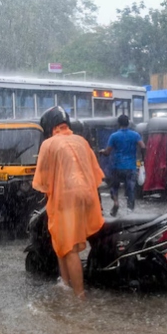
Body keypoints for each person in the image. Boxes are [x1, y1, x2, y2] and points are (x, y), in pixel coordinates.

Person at [33, 107, 105, 299]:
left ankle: (79, 297)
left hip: (67, 197)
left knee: (70, 246)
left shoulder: (49, 144)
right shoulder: (81, 141)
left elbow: (43, 179)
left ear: (49, 126)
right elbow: (95, 171)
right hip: (87, 195)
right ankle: (64, 283)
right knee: (61, 240)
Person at [99, 114, 146, 216]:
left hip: (117, 167)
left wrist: (102, 151)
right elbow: (143, 146)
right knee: (130, 189)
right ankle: (130, 211)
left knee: (114, 186)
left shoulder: (114, 136)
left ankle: (116, 202)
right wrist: (142, 157)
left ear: (118, 124)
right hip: (131, 167)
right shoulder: (135, 135)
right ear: (128, 123)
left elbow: (107, 152)